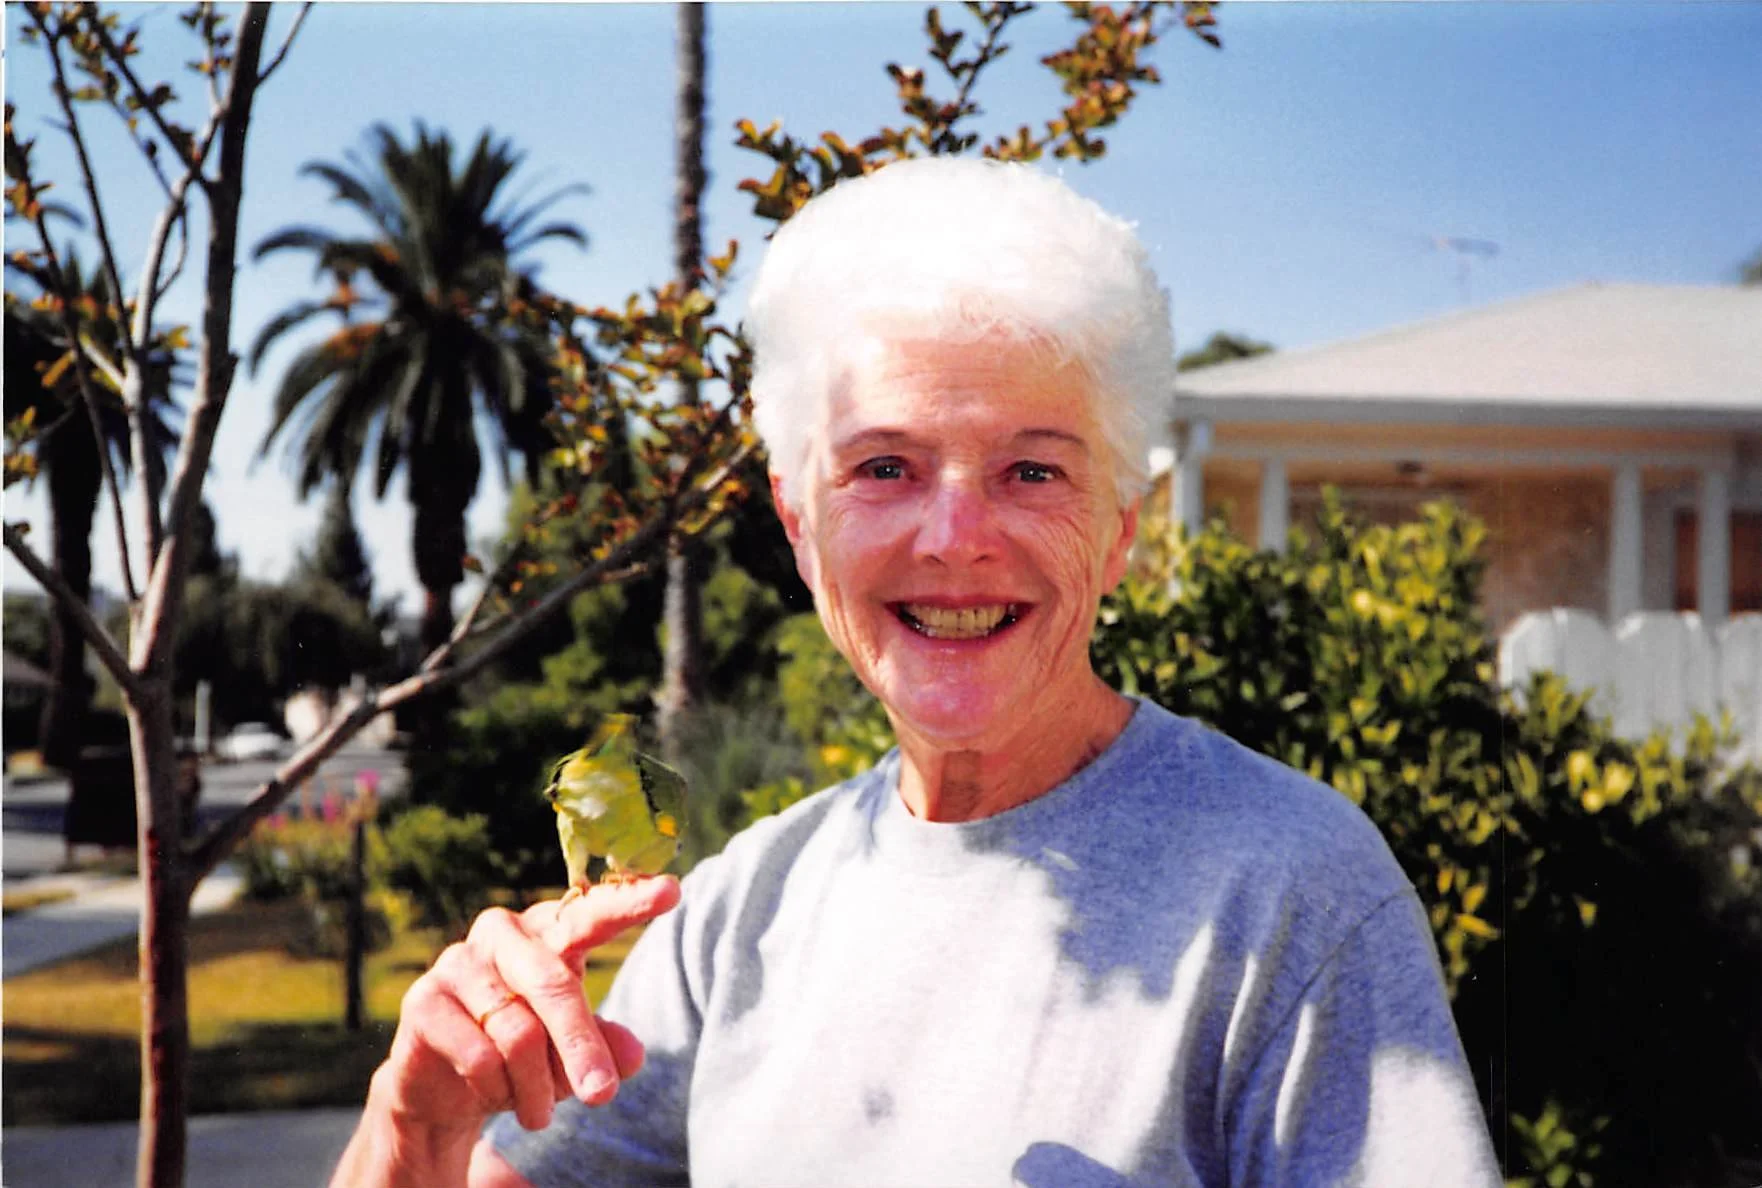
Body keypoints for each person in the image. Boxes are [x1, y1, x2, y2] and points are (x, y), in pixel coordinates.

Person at [331, 158, 1502, 1187]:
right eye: (885, 466)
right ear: (800, 523)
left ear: (1121, 527)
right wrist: (411, 1130)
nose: (953, 538)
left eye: (1032, 472)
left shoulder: (1291, 892)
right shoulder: (742, 912)